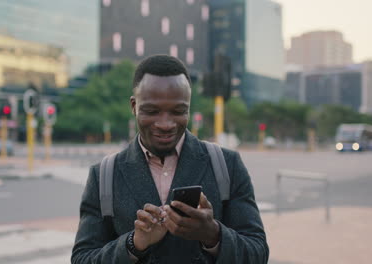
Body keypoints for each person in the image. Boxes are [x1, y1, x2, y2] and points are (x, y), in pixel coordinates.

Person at [71, 55, 268, 263]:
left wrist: (213, 234)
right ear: (133, 106)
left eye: (178, 111)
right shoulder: (103, 175)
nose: (165, 124)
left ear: (189, 108)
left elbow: (258, 253)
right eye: (152, 111)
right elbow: (82, 259)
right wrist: (133, 244)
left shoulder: (227, 166)